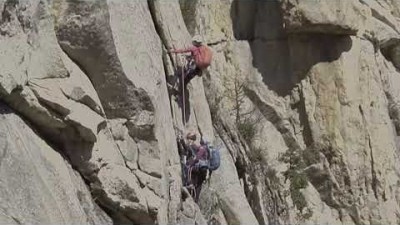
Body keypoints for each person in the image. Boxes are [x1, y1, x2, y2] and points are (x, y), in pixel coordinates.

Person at [177, 131, 208, 203]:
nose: (188, 140)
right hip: (201, 170)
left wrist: (189, 164)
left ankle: (194, 199)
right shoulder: (197, 147)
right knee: (198, 185)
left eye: (188, 139)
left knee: (195, 182)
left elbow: (196, 157)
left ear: (192, 140)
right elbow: (187, 149)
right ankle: (195, 200)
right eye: (187, 139)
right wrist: (181, 141)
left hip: (200, 170)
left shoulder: (200, 148)